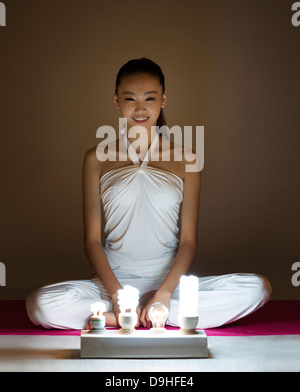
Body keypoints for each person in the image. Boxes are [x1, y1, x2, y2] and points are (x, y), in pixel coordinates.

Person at [26, 58, 271, 330]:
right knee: (39, 304)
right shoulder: (96, 158)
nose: (140, 108)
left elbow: (188, 241)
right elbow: (92, 240)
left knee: (258, 287)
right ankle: (138, 315)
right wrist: (118, 297)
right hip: (112, 283)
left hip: (169, 283)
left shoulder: (187, 159)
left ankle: (149, 312)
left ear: (163, 99)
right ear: (116, 100)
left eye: (150, 98)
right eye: (130, 98)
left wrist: (164, 294)